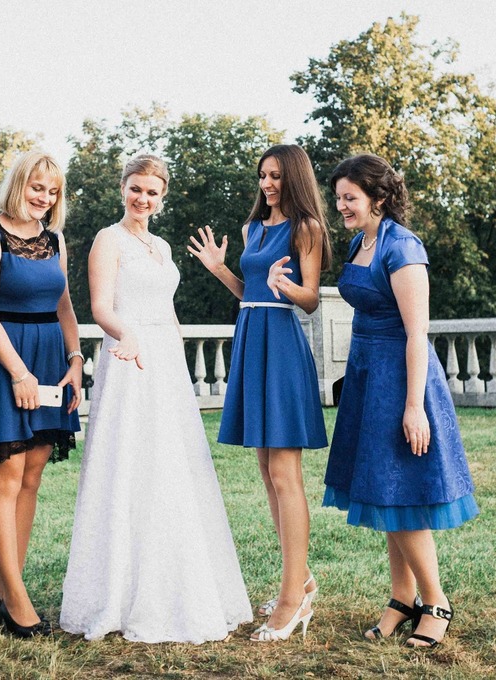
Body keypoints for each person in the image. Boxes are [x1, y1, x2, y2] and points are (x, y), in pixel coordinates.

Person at [60, 155, 252, 643]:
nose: (142, 198)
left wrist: (175, 359)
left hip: (165, 362)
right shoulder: (108, 240)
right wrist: (128, 335)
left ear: (162, 198)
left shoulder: (162, 246)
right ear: (123, 188)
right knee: (131, 462)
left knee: (171, 466)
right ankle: (119, 591)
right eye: (136, 188)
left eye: (152, 192)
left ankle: (177, 580)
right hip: (128, 358)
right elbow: (100, 307)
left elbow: (167, 310)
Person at [323, 153, 479, 648]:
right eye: (338, 198)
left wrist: (414, 406)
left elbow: (417, 334)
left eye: (350, 198)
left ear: (378, 198)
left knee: (403, 490)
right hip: (367, 375)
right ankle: (401, 598)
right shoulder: (360, 242)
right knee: (384, 489)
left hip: (401, 377)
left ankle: (436, 601)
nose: (341, 206)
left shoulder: (403, 247)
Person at [188, 144, 332, 642]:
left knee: (285, 473)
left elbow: (310, 300)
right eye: (262, 176)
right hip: (252, 341)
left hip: (283, 347)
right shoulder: (252, 230)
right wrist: (220, 269)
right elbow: (247, 292)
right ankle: (302, 580)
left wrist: (283, 286)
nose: (268, 184)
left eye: (276, 176)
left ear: (294, 178)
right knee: (267, 472)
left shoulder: (306, 228)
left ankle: (293, 599)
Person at [0, 151, 82, 638]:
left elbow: (64, 305)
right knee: (7, 476)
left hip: (51, 360)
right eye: (37, 187)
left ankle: (4, 588)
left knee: (32, 475)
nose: (45, 198)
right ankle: (16, 598)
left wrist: (76, 360)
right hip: (5, 361)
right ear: (18, 184)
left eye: (53, 191)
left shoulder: (55, 240)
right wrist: (18, 373)